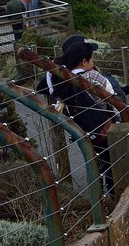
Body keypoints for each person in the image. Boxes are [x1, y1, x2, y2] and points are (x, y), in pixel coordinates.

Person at [46, 40, 119, 197]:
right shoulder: (92, 77)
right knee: (113, 166)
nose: (93, 63)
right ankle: (114, 197)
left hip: (83, 131)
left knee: (94, 165)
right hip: (105, 128)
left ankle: (98, 200)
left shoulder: (62, 82)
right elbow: (113, 99)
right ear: (84, 61)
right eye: (91, 59)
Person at [61, 34, 129, 102]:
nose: (93, 57)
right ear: (84, 61)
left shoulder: (65, 77)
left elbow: (114, 92)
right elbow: (115, 96)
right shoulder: (91, 76)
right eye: (89, 53)